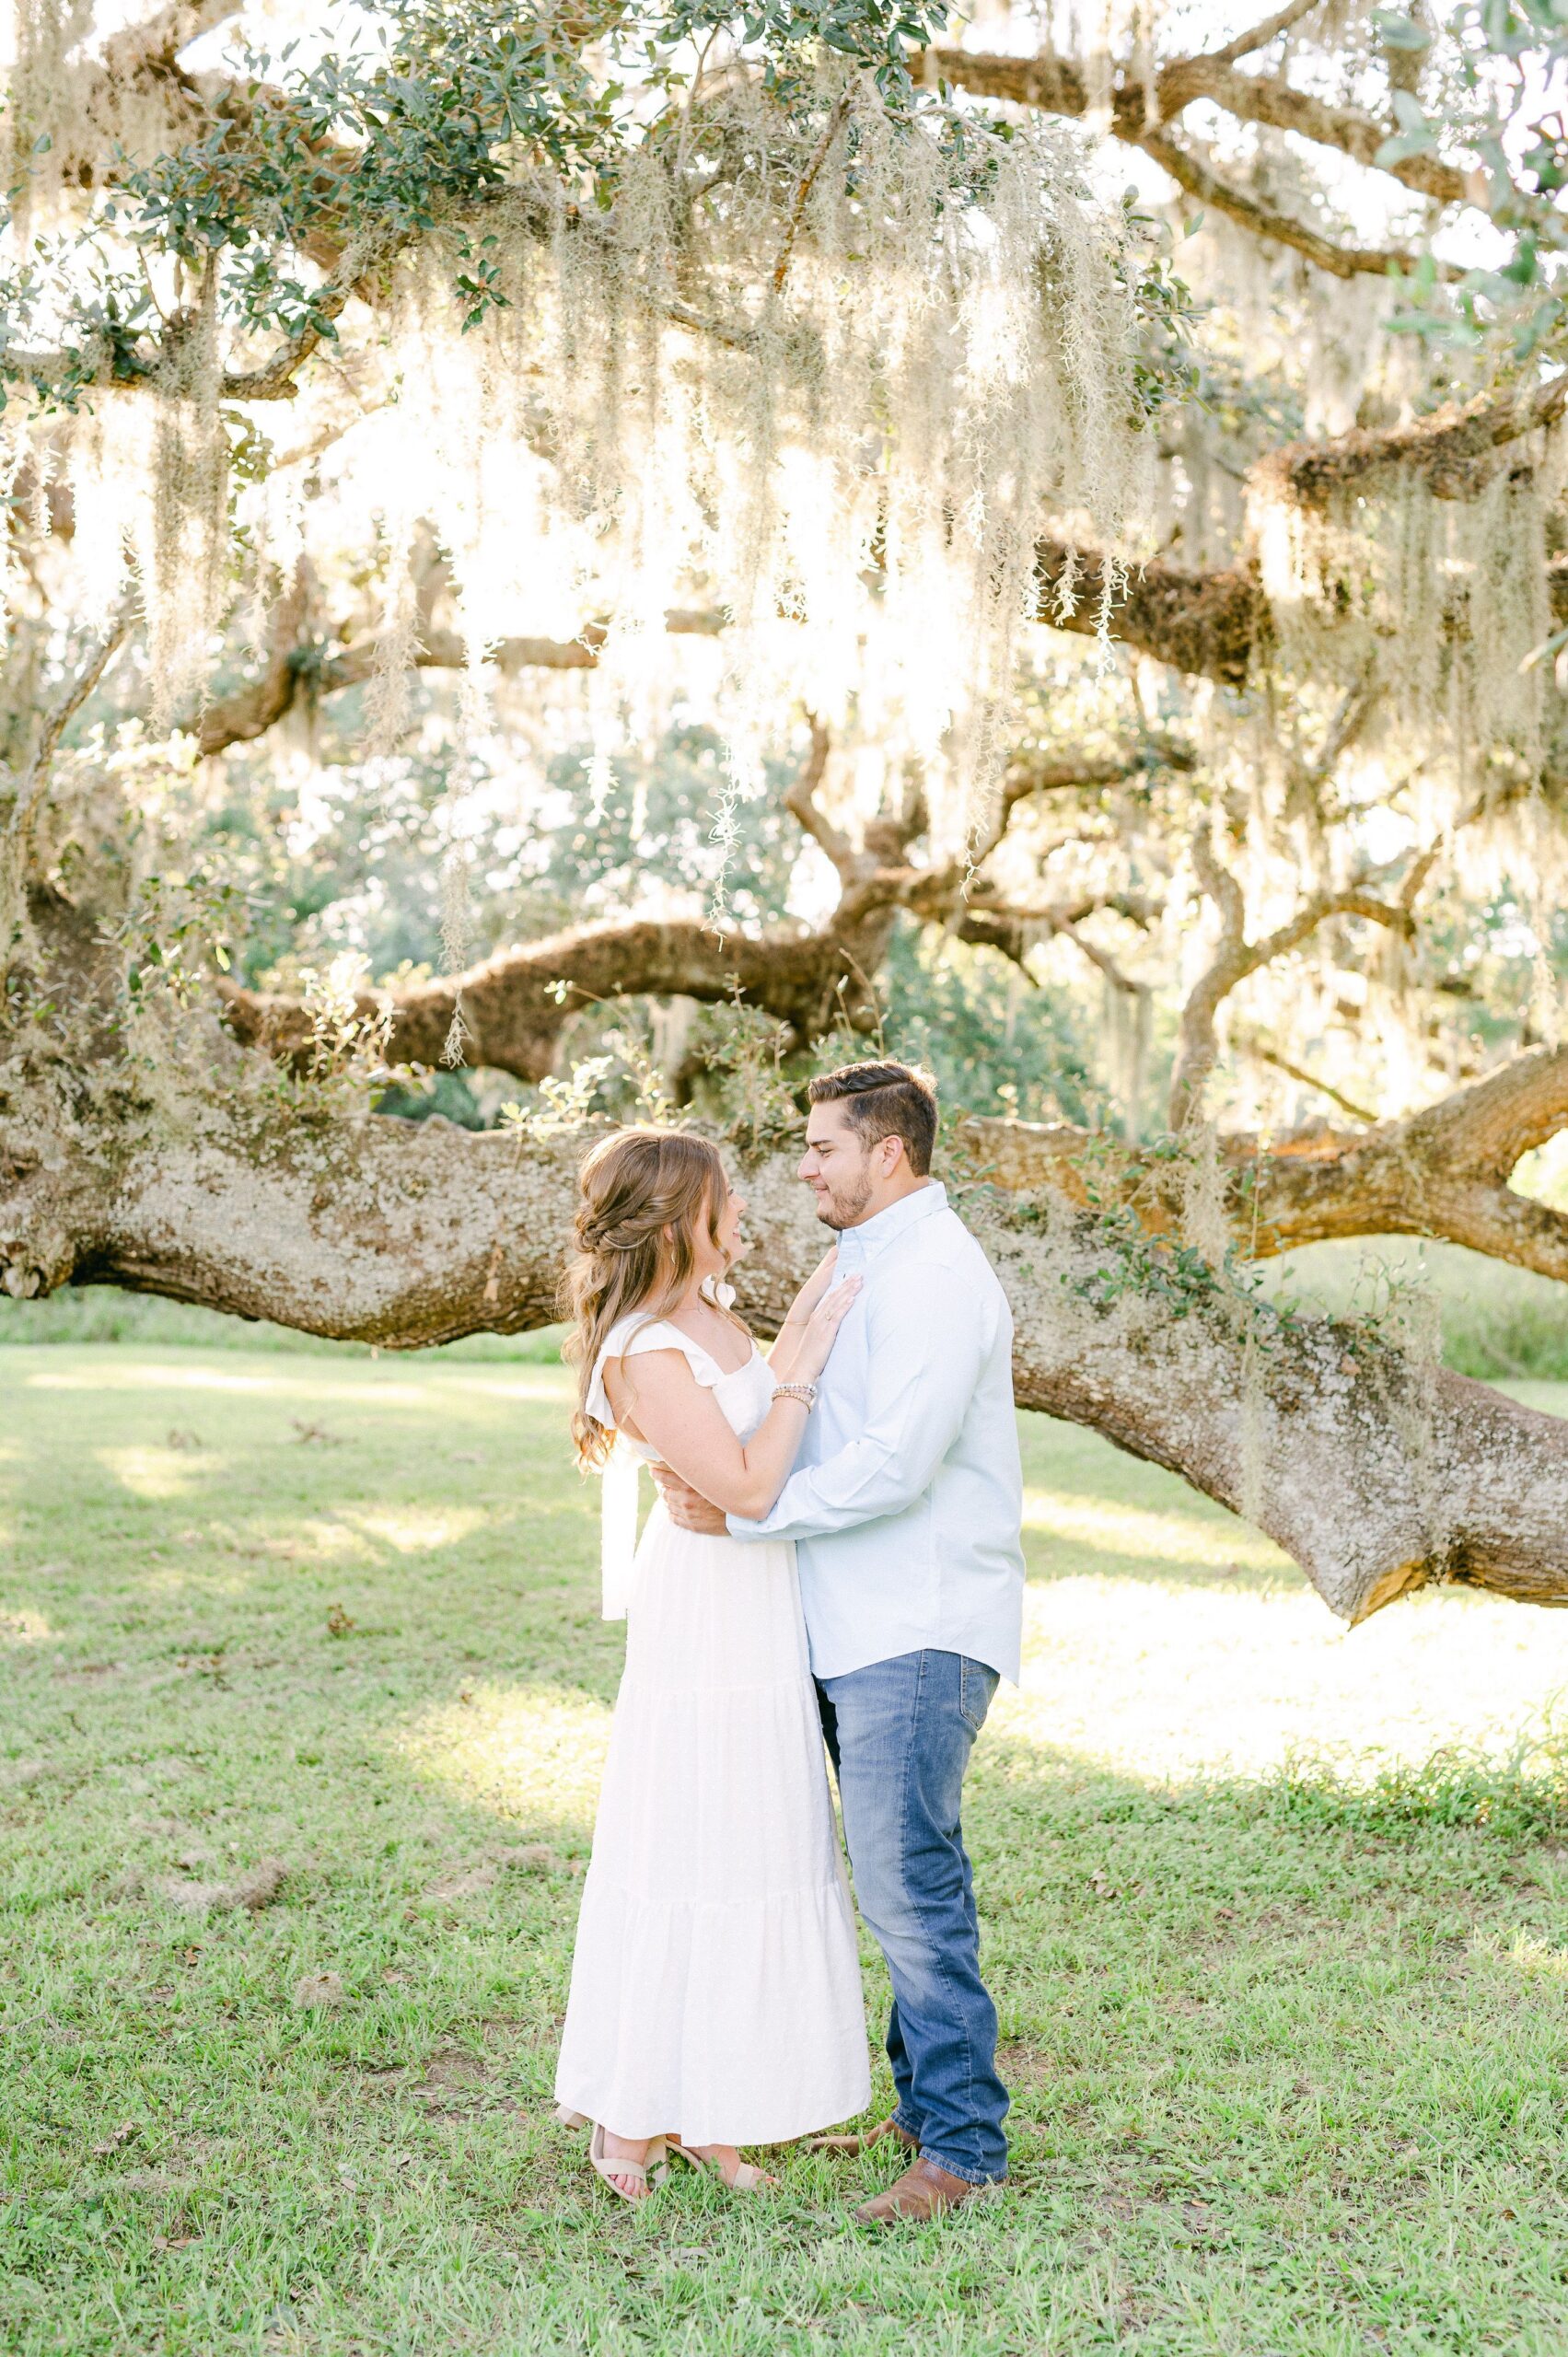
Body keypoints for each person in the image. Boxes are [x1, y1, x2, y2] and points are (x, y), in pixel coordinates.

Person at [654, 1060, 1025, 2224]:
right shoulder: (864, 1260)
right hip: (847, 1618)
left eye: (822, 1146)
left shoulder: (935, 1274)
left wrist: (755, 1511)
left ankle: (960, 2151)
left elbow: (897, 1464)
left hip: (914, 1625)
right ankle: (923, 2113)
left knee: (911, 1891)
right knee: (893, 1881)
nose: (803, 1164)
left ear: (889, 1151)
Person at [553, 1125, 871, 2201]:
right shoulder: (644, 1346)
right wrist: (805, 1375)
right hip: (706, 1617)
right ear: (676, 1217)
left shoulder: (715, 1318)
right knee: (686, 1845)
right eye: (725, 1193)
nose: (743, 1205)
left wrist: (818, 1316)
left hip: (759, 1603)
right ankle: (628, 2121)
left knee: (752, 1841)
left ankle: (714, 2110)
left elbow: (756, 1445)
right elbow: (743, 1488)